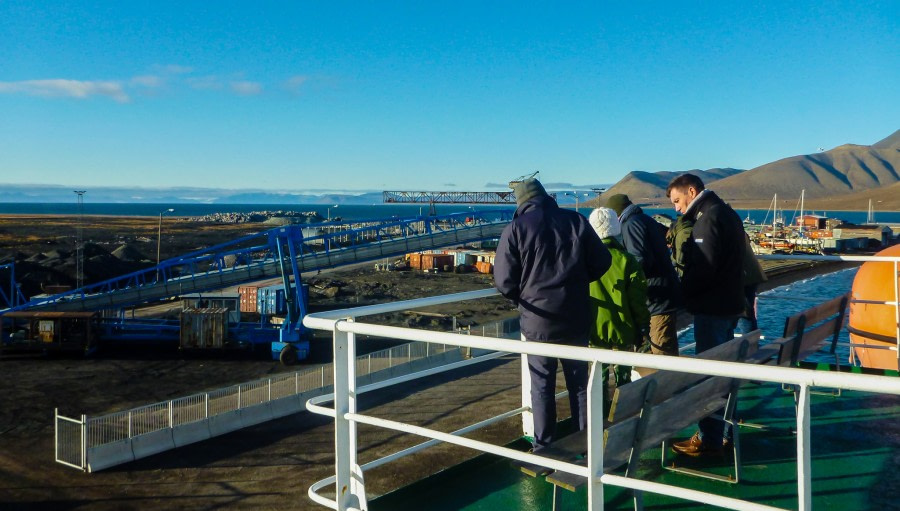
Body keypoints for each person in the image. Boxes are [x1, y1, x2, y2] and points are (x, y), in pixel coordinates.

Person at [494, 177, 612, 449]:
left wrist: (522, 299)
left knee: (542, 387)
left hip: (539, 322)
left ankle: (545, 448)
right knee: (580, 385)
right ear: (546, 196)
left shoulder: (515, 229)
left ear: (521, 202)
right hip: (576, 316)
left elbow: (503, 281)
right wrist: (578, 282)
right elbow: (602, 262)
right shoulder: (576, 221)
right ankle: (587, 444)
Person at [665, 173, 746, 457]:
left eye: (677, 200)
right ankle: (721, 431)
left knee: (709, 375)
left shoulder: (708, 218)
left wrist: (681, 294)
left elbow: (704, 268)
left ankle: (709, 439)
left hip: (713, 309)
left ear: (691, 190)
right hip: (731, 305)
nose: (676, 208)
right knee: (722, 372)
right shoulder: (727, 213)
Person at [587, 208, 650, 407]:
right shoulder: (627, 260)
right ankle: (622, 414)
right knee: (624, 378)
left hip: (594, 329)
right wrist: (642, 327)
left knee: (598, 377)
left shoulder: (584, 260)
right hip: (624, 328)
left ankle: (600, 417)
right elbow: (637, 301)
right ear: (616, 229)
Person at [605, 193, 682, 356]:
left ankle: (665, 381)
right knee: (665, 346)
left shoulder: (630, 225)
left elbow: (639, 260)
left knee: (661, 349)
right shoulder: (645, 220)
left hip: (657, 297)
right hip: (665, 292)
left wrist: (625, 282)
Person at [737, 232, 767, 334]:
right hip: (750, 274)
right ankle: (751, 343)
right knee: (747, 313)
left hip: (743, 276)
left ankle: (749, 343)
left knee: (745, 314)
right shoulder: (737, 228)